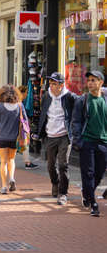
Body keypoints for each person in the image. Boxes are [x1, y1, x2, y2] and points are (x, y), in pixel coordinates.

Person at [71, 70, 107, 217]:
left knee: (99, 173)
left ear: (101, 83)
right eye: (89, 80)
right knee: (88, 173)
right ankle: (93, 203)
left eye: (94, 80)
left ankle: (87, 192)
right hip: (87, 141)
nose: (90, 82)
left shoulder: (105, 99)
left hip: (103, 142)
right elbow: (76, 122)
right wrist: (78, 140)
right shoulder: (82, 100)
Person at [38, 72, 76, 205]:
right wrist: (38, 131)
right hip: (50, 135)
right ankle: (55, 183)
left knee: (62, 165)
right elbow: (43, 115)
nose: (52, 86)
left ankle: (63, 193)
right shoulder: (46, 96)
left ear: (61, 85)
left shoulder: (69, 97)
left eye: (54, 84)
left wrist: (75, 131)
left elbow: (77, 113)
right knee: (50, 165)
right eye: (51, 83)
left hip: (65, 135)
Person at [0, 85, 29, 194]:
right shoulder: (19, 105)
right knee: (11, 159)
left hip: (2, 137)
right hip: (15, 138)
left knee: (3, 161)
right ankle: (12, 178)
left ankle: (4, 186)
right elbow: (25, 120)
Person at [18, 85, 39, 170]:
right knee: (25, 144)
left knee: (24, 145)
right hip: (22, 127)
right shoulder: (19, 103)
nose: (27, 94)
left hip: (23, 127)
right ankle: (27, 162)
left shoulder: (20, 102)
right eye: (26, 92)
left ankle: (27, 161)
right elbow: (20, 117)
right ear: (22, 93)